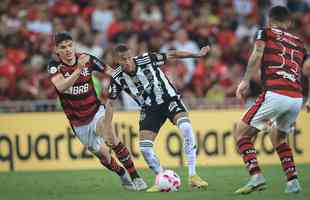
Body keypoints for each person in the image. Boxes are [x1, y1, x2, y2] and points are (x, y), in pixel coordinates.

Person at [47, 32, 147, 191]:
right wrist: (78, 70)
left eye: (69, 45)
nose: (67, 50)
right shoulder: (54, 66)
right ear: (57, 51)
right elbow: (61, 87)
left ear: (74, 45)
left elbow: (111, 72)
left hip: (96, 112)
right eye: (63, 47)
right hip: (79, 123)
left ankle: (136, 177)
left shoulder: (87, 58)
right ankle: (122, 173)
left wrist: (133, 81)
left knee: (111, 138)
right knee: (104, 157)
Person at [109, 43, 210, 192]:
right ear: (117, 60)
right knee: (145, 148)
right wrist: (106, 125)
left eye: (129, 57)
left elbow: (172, 54)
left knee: (186, 127)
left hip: (168, 99)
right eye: (123, 59)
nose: (128, 61)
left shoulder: (146, 59)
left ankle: (193, 175)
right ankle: (162, 179)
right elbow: (110, 102)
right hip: (149, 109)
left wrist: (197, 55)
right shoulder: (117, 77)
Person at [234, 6, 309, 194]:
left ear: (269, 20)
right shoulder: (300, 43)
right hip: (296, 98)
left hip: (275, 92)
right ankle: (293, 182)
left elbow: (257, 55)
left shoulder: (265, 32)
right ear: (289, 23)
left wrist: (244, 81)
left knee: (241, 133)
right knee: (279, 138)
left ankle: (256, 176)